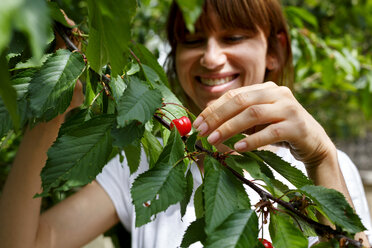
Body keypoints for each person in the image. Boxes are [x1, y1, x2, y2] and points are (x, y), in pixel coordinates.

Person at [0, 0, 371, 247]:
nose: (211, 58)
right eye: (192, 40)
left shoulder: (325, 171)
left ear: (273, 50)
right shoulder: (147, 165)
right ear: (175, 55)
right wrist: (55, 98)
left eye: (234, 37)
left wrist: (322, 158)